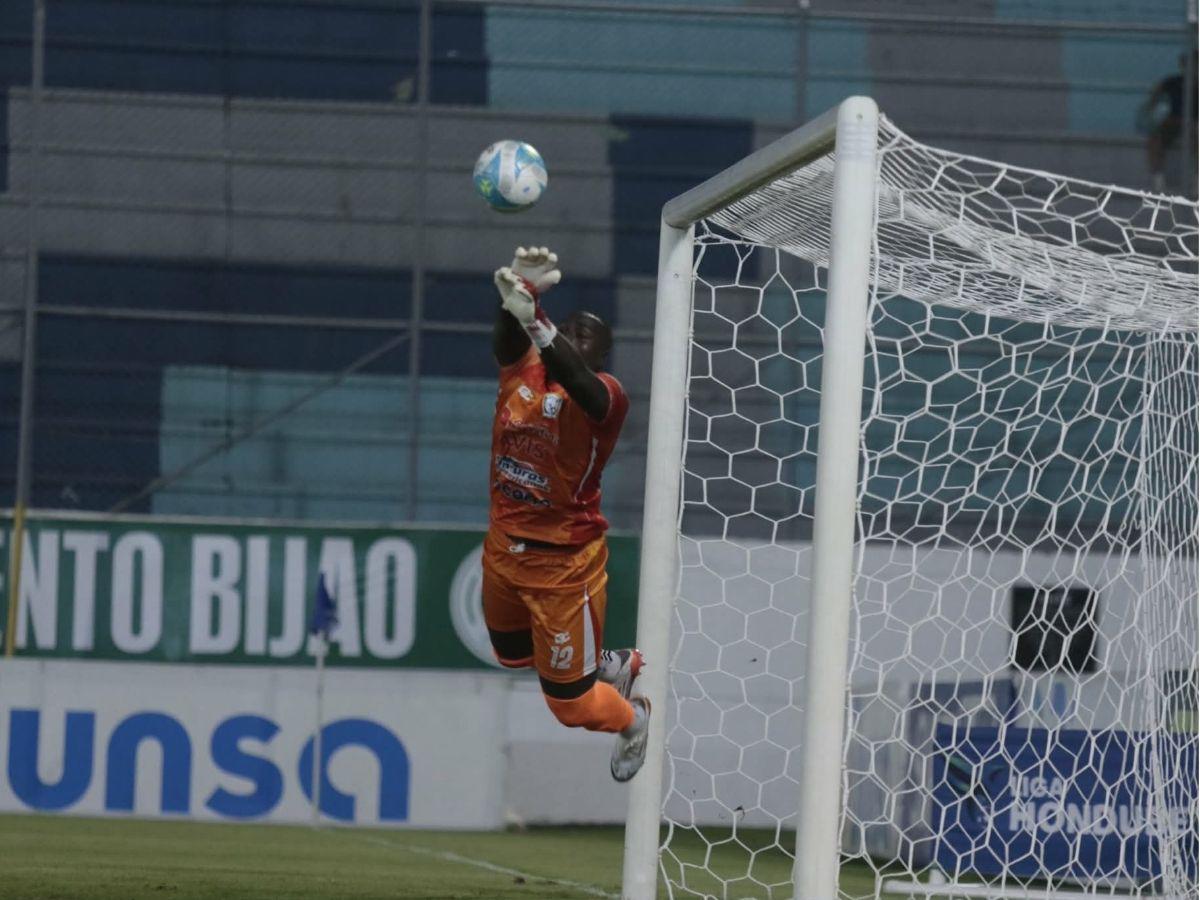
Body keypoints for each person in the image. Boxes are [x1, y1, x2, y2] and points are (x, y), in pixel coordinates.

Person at [483, 245, 650, 782]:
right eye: (571, 328)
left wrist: (540, 321)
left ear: (601, 355)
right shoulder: (526, 372)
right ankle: (602, 664)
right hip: (503, 546)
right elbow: (510, 342)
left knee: (571, 708)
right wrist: (519, 299)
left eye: (587, 335)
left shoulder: (605, 397)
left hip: (563, 566)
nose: (575, 336)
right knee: (509, 654)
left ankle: (633, 719)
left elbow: (573, 376)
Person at [1143, 50, 1198, 192]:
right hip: (1174, 122)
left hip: (1194, 124)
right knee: (1155, 140)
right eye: (1189, 64)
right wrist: (1150, 112)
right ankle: (1158, 179)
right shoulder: (1173, 82)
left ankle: (1197, 179)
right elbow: (1155, 96)